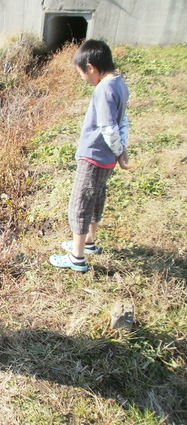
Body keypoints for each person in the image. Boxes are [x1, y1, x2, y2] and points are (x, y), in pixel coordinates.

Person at [49, 39, 130, 272]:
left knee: (80, 203)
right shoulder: (119, 83)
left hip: (94, 155)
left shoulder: (103, 89)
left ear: (91, 67)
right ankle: (89, 243)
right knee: (95, 198)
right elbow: (122, 121)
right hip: (106, 159)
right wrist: (121, 150)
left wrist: (119, 150)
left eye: (81, 73)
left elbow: (108, 127)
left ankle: (77, 257)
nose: (83, 78)